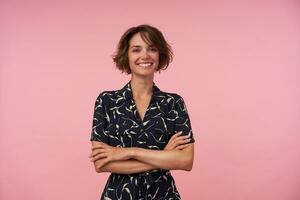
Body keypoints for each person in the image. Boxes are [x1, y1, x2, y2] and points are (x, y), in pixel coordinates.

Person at [89, 24, 195, 200]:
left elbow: (185, 161)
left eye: (152, 49)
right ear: (127, 56)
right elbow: (101, 163)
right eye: (136, 50)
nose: (144, 55)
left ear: (159, 55)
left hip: (163, 195)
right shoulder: (107, 101)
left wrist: (128, 152)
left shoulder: (173, 103)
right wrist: (163, 156)